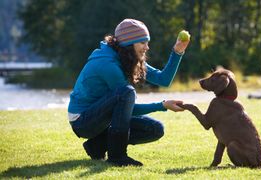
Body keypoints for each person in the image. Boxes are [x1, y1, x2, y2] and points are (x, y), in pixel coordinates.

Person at [68, 18, 190, 166]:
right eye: (142, 43)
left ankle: (97, 145)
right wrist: (162, 105)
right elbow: (128, 107)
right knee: (126, 92)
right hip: (83, 121)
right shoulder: (108, 64)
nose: (147, 47)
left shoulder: (128, 56)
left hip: (102, 118)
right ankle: (117, 156)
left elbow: (163, 79)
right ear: (128, 44)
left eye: (147, 42)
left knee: (155, 129)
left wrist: (177, 52)